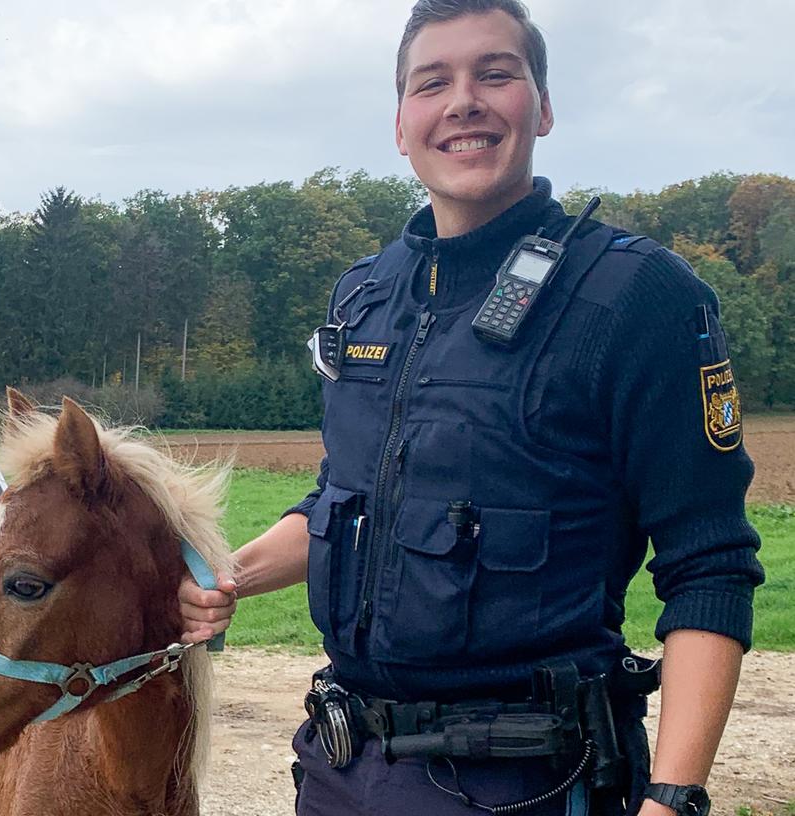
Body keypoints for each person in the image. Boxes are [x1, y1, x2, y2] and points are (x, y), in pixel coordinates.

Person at [178, 2, 764, 814]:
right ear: (400, 123)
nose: (462, 101)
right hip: (340, 772)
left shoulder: (637, 298)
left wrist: (671, 799)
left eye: (496, 73)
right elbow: (347, 504)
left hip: (529, 783)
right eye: (432, 83)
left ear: (543, 106)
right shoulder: (366, 296)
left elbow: (709, 563)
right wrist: (230, 577)